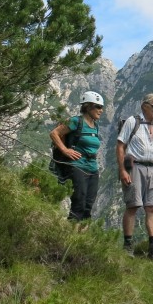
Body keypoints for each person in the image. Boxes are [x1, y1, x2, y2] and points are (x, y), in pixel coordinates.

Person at [117, 93, 153, 259]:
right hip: (135, 167)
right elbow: (120, 146)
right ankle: (128, 245)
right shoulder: (132, 122)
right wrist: (123, 171)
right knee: (132, 206)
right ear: (144, 106)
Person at [49, 91, 105, 221]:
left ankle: (81, 238)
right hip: (77, 166)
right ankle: (70, 235)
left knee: (88, 207)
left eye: (101, 107)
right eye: (98, 107)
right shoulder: (76, 121)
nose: (101, 110)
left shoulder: (95, 126)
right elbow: (54, 134)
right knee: (79, 202)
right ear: (88, 106)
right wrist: (65, 150)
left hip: (93, 168)